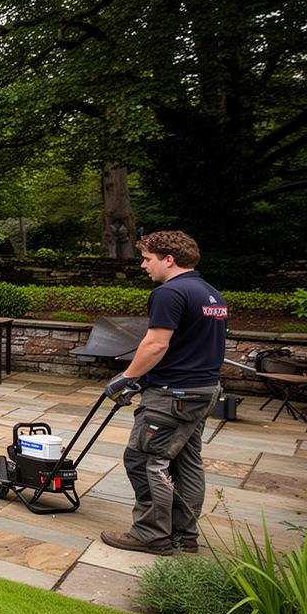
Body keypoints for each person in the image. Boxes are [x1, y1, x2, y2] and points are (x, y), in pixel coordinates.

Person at [100, 230, 228, 556]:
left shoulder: (169, 293)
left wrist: (127, 377)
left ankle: (150, 534)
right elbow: (190, 346)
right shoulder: (211, 294)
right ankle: (184, 535)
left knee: (145, 459)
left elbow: (156, 343)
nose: (144, 266)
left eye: (147, 258)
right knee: (186, 461)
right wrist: (144, 380)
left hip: (174, 394)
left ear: (168, 259)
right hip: (203, 389)